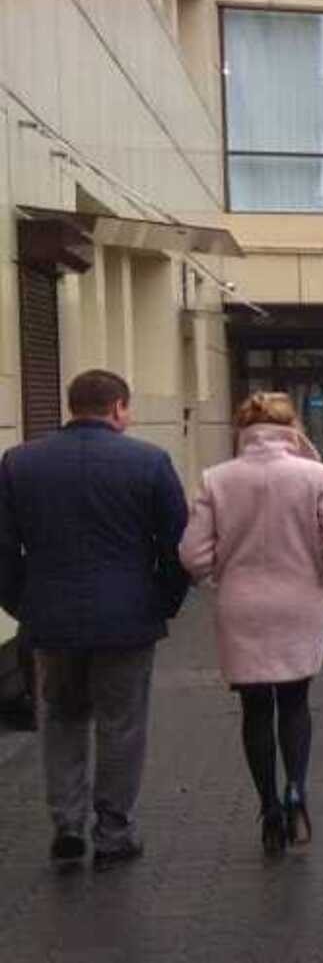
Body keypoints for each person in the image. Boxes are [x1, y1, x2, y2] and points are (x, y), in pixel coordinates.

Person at [0, 370, 189, 869]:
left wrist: (23, 603)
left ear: (71, 405)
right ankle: (113, 830)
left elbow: (3, 549)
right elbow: (176, 548)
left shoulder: (20, 463)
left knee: (60, 718)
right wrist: (162, 602)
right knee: (122, 725)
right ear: (120, 408)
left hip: (51, 619)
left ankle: (66, 823)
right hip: (127, 618)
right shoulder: (149, 463)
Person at [178, 392, 323, 856]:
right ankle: (296, 788)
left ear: (243, 428)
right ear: (291, 427)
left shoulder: (217, 479)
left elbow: (191, 554)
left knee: (255, 709)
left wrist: (221, 577)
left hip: (241, 605)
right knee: (295, 702)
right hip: (300, 601)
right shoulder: (316, 475)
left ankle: (268, 809)